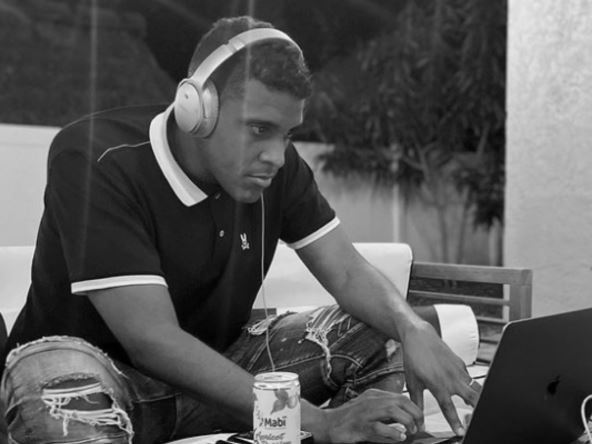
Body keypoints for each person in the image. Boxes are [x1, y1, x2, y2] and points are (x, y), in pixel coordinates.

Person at [0, 15, 479, 444]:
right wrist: (318, 421)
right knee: (54, 383)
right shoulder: (95, 158)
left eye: (287, 134)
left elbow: (348, 272)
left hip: (220, 380)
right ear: (197, 109)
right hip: (104, 387)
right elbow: (152, 340)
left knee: (380, 325)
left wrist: (412, 327)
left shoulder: (278, 168)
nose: (276, 155)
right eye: (258, 129)